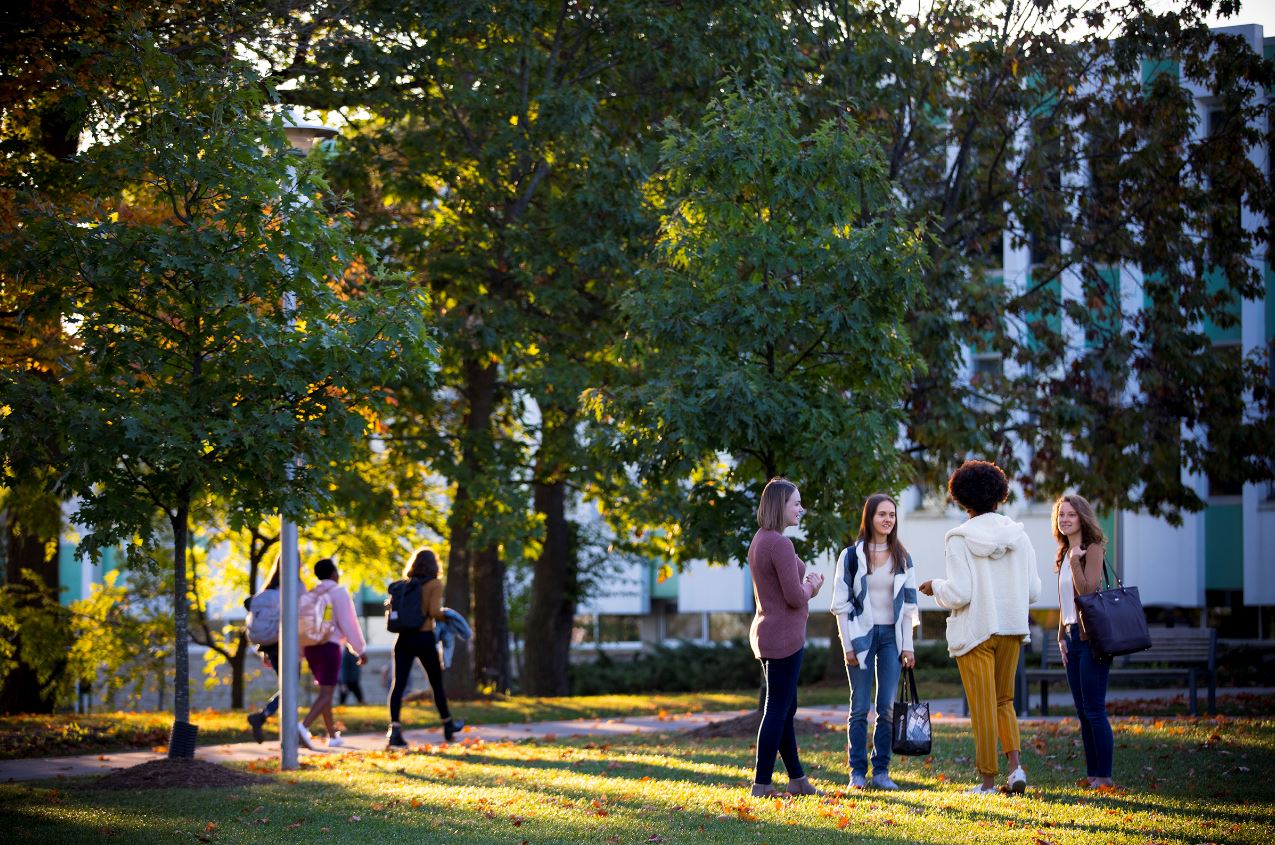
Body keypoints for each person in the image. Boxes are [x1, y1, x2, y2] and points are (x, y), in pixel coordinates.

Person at [919, 460, 1040, 795]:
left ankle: (987, 781)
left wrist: (935, 587)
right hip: (1013, 629)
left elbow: (960, 592)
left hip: (977, 631)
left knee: (983, 707)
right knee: (1005, 701)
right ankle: (1015, 769)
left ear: (961, 498)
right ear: (999, 494)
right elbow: (1033, 591)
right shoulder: (1019, 535)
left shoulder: (958, 537)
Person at [830, 493, 919, 791]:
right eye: (882, 514)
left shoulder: (902, 557)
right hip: (860, 636)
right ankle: (857, 772)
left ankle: (881, 771)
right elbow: (840, 605)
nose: (887, 519)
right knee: (859, 707)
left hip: (892, 638)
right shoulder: (851, 556)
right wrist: (847, 647)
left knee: (887, 707)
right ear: (870, 518)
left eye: (892, 515)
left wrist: (909, 646)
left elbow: (908, 608)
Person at [747, 477, 825, 798]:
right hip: (784, 638)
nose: (801, 509)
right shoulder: (780, 544)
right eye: (796, 503)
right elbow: (795, 596)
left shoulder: (761, 539)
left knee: (784, 708)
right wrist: (813, 586)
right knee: (778, 709)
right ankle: (762, 783)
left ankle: (797, 779)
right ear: (780, 506)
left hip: (768, 634)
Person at [1053, 493, 1114, 788]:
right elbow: (1065, 600)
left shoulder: (1092, 550)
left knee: (1094, 709)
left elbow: (1087, 591)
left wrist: (1077, 561)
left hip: (1092, 640)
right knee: (1081, 712)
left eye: (1070, 514)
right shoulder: (1065, 552)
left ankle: (1104, 776)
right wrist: (1061, 636)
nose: (1065, 519)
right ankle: (1093, 775)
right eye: (1061, 514)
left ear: (1082, 517)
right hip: (1072, 638)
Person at [386, 548, 463, 748]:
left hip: (403, 639)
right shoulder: (434, 584)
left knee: (398, 684)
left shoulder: (405, 586)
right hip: (423, 637)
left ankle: (394, 730)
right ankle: (448, 725)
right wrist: (450, 617)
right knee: (436, 683)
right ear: (434, 565)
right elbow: (433, 611)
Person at [298, 558, 367, 750]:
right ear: (334, 573)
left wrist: (300, 651)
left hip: (311, 647)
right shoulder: (339, 592)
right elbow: (349, 622)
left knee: (324, 692)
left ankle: (332, 735)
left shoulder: (311, 593)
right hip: (329, 646)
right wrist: (360, 649)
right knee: (327, 693)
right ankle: (302, 727)